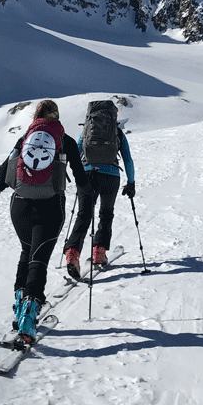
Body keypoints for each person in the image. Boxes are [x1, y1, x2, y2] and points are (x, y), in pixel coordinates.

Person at [0, 99, 87, 345]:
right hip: (50, 207)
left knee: (26, 252)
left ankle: (19, 307)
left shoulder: (25, 138)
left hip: (20, 207)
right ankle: (28, 320)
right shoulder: (64, 141)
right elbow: (81, 178)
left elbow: (2, 175)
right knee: (39, 259)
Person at [62, 100, 135, 278]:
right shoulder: (117, 133)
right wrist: (131, 182)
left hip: (87, 175)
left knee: (84, 215)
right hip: (111, 176)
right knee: (106, 214)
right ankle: (98, 253)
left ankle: (72, 253)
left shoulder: (87, 131)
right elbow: (128, 159)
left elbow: (77, 151)